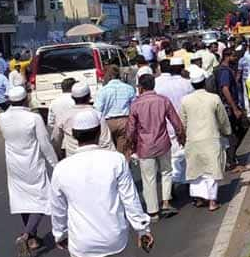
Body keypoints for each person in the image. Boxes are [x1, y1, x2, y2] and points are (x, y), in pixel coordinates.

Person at [50, 111, 152, 257]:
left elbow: (57, 208)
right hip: (115, 235)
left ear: (74, 136)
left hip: (82, 241)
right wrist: (142, 229)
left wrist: (59, 234)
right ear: (99, 133)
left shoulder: (62, 168)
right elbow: (130, 199)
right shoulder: (115, 160)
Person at [0, 86, 58, 257]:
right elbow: (45, 144)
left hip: (14, 164)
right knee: (42, 199)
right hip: (32, 162)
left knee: (22, 199)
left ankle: (32, 239)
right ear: (26, 100)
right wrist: (55, 164)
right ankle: (26, 236)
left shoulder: (2, 117)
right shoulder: (34, 118)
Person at [127, 74, 185, 220]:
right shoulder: (163, 100)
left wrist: (131, 145)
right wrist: (181, 136)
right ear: (153, 85)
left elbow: (131, 130)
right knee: (166, 172)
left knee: (148, 178)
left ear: (140, 87)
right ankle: (166, 202)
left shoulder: (135, 104)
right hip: (163, 143)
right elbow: (176, 122)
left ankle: (153, 211)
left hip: (144, 146)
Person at [180, 68, 231, 212]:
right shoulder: (214, 98)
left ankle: (199, 199)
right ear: (204, 83)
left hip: (193, 139)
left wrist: (182, 137)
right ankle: (212, 202)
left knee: (197, 171)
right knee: (212, 170)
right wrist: (227, 131)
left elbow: (182, 121)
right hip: (211, 138)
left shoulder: (185, 100)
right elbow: (222, 118)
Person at [52, 82, 113, 156]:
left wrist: (58, 154)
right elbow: (106, 142)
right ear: (89, 96)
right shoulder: (97, 114)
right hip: (96, 157)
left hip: (73, 157)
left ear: (72, 97)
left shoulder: (64, 115)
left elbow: (56, 138)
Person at [94, 65, 136, 157]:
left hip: (107, 122)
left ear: (109, 76)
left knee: (109, 151)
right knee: (124, 150)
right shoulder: (129, 88)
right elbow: (134, 107)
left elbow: (98, 109)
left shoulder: (103, 91)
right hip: (125, 121)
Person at [214, 49, 247, 167]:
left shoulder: (221, 70)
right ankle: (231, 161)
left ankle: (231, 157)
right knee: (234, 132)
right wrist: (235, 108)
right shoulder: (224, 71)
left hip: (227, 105)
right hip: (228, 107)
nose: (236, 58)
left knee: (236, 131)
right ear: (227, 57)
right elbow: (225, 89)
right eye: (234, 56)